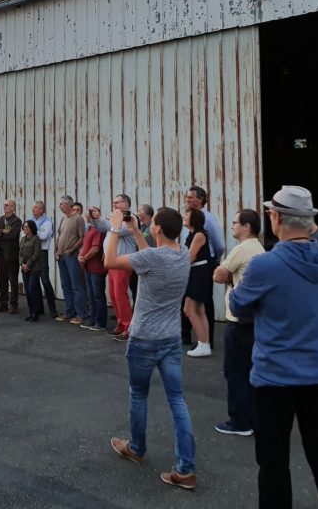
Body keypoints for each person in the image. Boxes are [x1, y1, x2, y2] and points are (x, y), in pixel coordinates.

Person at [230, 185, 318, 509]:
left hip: (275, 378)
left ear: (276, 218)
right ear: (308, 219)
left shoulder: (265, 265)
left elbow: (238, 305)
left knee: (273, 466)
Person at [106, 207, 198, 490]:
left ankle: (137, 447)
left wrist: (114, 228)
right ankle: (186, 469)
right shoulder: (181, 252)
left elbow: (110, 260)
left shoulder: (151, 257)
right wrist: (135, 232)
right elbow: (149, 257)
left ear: (156, 228)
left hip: (144, 338)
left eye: (152, 224)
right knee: (177, 401)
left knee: (138, 394)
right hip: (170, 339)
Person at [212, 208, 264, 436]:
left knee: (235, 373)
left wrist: (227, 277)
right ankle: (252, 417)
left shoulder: (242, 249)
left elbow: (219, 274)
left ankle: (239, 422)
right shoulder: (259, 248)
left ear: (247, 227)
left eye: (235, 223)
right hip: (253, 320)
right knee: (249, 372)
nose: (232, 226)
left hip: (238, 321)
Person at [91, 194, 135, 341]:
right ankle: (121, 325)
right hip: (114, 262)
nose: (114, 204)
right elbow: (103, 227)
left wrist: (101, 217)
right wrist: (95, 219)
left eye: (117, 202)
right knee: (115, 295)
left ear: (126, 204)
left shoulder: (130, 218)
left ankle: (128, 328)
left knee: (121, 296)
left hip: (122, 262)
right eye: (114, 202)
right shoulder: (116, 219)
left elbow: (118, 229)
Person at [184, 186, 222, 348]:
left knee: (203, 303)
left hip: (204, 262)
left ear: (200, 199)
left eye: (191, 197)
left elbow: (219, 244)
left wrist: (215, 259)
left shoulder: (209, 219)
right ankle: (187, 337)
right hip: (192, 263)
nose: (187, 200)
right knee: (189, 303)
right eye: (187, 197)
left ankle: (207, 341)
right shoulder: (189, 219)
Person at [183, 208, 213, 358]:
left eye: (187, 214)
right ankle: (204, 344)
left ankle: (203, 344)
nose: (184, 216)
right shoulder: (192, 234)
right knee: (199, 310)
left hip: (198, 272)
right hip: (198, 272)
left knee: (189, 309)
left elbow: (190, 257)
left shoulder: (199, 234)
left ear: (194, 218)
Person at [56, 195, 87, 324]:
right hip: (61, 256)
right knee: (65, 285)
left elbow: (82, 237)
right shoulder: (63, 219)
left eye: (62, 204)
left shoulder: (78, 219)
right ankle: (69, 312)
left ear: (68, 205)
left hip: (71, 256)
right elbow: (59, 235)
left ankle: (81, 314)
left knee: (76, 285)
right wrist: (57, 251)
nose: (60, 206)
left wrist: (72, 249)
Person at [0, 200, 22, 314]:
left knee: (12, 280)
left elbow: (12, 235)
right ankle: (3, 303)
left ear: (12, 207)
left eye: (7, 205)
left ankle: (13, 305)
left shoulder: (16, 221)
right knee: (2, 279)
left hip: (11, 254)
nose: (4, 206)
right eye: (4, 204)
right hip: (0, 253)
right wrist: (3, 231)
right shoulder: (0, 219)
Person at [79, 208, 107, 332]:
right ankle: (93, 319)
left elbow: (95, 249)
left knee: (98, 295)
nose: (87, 215)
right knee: (91, 295)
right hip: (88, 267)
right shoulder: (89, 228)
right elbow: (86, 246)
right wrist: (81, 255)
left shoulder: (98, 229)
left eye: (90, 213)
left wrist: (84, 258)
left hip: (96, 267)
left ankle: (100, 322)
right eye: (87, 213)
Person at [31, 201, 59, 318]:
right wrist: (35, 233)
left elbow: (43, 236)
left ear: (42, 210)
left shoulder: (47, 221)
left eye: (36, 207)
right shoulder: (31, 220)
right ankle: (39, 308)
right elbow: (24, 235)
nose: (33, 209)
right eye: (33, 207)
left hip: (42, 253)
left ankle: (53, 309)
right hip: (31, 252)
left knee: (45, 280)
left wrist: (32, 233)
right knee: (34, 281)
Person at [20, 220, 45, 322]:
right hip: (24, 268)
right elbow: (20, 253)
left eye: (27, 227)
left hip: (34, 268)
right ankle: (31, 313)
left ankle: (36, 313)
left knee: (32, 289)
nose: (25, 228)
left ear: (32, 228)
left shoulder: (36, 239)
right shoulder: (22, 239)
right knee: (27, 291)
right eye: (24, 227)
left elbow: (36, 254)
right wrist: (22, 264)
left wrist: (28, 264)